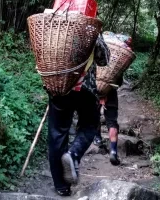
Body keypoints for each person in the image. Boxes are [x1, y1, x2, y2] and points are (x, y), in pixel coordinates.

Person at [47, 34, 110, 196]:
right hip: (84, 87)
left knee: (57, 133)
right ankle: (73, 154)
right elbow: (103, 59)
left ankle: (61, 186)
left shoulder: (53, 25)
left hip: (58, 85)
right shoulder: (89, 26)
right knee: (90, 124)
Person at [93, 32, 132, 166]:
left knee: (94, 116)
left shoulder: (98, 53)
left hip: (94, 90)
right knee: (112, 122)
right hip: (111, 93)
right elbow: (119, 82)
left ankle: (97, 139)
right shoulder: (117, 62)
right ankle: (114, 152)